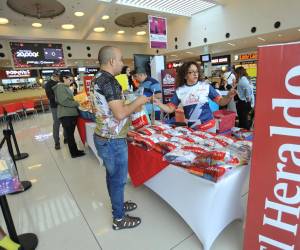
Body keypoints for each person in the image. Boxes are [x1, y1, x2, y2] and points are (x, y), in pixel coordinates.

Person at [91, 46, 149, 230]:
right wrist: (138, 102)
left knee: (112, 175)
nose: (123, 63)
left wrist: (128, 101)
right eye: (121, 59)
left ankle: (117, 204)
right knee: (118, 179)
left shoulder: (97, 79)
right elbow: (119, 113)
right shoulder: (110, 82)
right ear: (111, 61)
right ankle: (119, 218)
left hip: (103, 136)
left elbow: (111, 108)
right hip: (113, 140)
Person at [154, 61, 236, 132]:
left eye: (196, 71)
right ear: (185, 75)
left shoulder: (206, 86)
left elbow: (221, 102)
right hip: (193, 128)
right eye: (191, 72)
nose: (195, 74)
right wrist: (158, 103)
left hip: (209, 126)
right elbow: (170, 108)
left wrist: (229, 96)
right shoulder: (179, 91)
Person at [52, 72, 85, 158]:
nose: (71, 82)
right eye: (70, 79)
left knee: (70, 135)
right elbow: (63, 101)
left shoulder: (65, 87)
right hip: (66, 115)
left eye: (72, 80)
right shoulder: (60, 87)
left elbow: (67, 99)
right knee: (70, 135)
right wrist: (77, 102)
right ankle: (74, 153)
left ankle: (75, 151)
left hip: (69, 114)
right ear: (64, 78)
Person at [44, 70, 67, 150]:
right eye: (58, 77)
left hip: (63, 105)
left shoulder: (60, 82)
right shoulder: (48, 84)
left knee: (65, 122)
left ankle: (66, 137)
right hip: (55, 107)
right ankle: (57, 142)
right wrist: (60, 97)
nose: (59, 78)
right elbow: (50, 97)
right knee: (57, 123)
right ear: (54, 76)